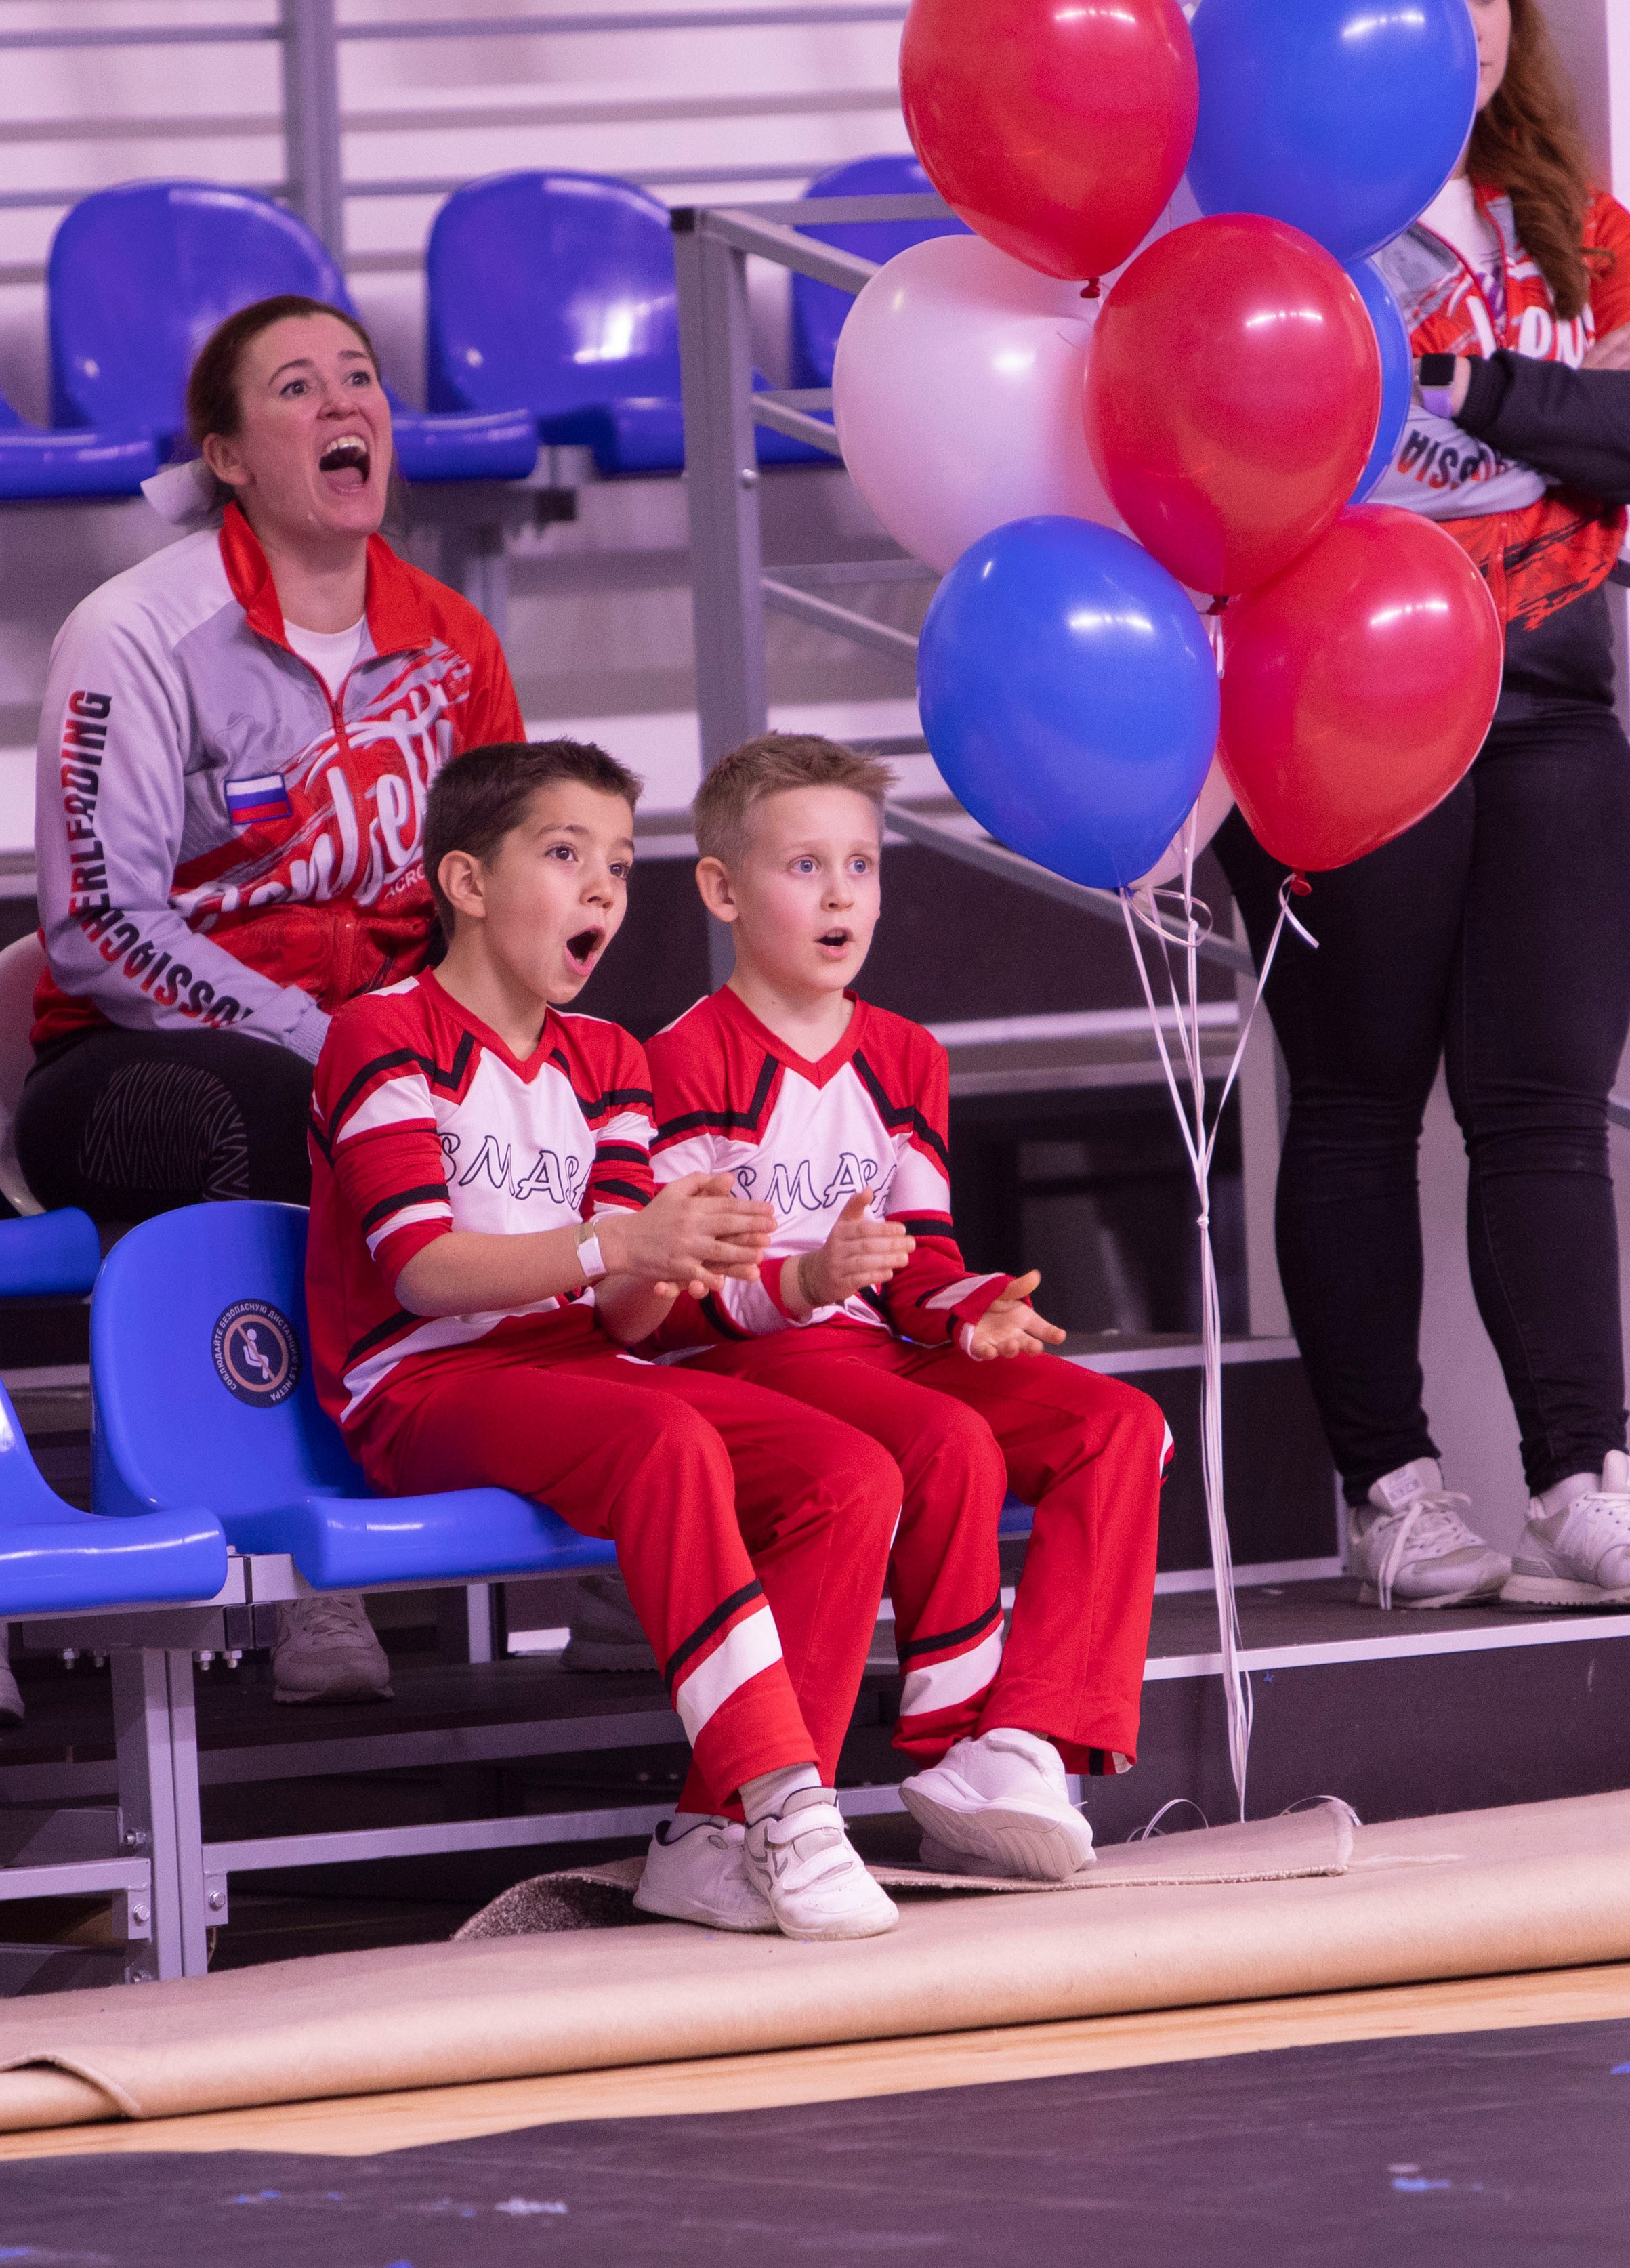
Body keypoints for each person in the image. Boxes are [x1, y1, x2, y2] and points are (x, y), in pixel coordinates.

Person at [1215, 0, 1630, 1614]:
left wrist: (1464, 391)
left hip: (1551, 702)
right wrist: (1531, 422)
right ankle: (1397, 1497)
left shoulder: (1566, 220)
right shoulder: (1273, 223)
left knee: (1542, 1110)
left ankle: (1585, 1477)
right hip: (1339, 707)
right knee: (1352, 1111)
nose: (1465, 24)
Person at [12, 293, 524, 1717]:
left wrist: (492, 1052)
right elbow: (101, 927)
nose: (343, 405)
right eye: (296, 389)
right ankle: (309, 1574)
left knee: (606, 1100)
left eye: (358, 379)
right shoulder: (135, 635)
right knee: (277, 1116)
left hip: (384, 1041)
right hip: (127, 1064)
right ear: (229, 456)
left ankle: (614, 1569)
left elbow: (517, 887)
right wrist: (345, 1049)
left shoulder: (452, 643)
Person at [305, 736, 900, 1941]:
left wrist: (682, 1251)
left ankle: (706, 1838)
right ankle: (788, 1801)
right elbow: (422, 1275)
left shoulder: (613, 1060)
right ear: (466, 885)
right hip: (419, 1387)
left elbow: (625, 1318)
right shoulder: (378, 1032)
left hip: (582, 1373)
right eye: (566, 854)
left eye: (620, 868)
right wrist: (617, 1246)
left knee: (852, 1472)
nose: (600, 892)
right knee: (667, 1433)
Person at [646, 732, 1171, 1881]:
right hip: (756, 1363)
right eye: (805, 869)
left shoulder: (907, 1056)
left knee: (1117, 1426)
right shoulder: (682, 1061)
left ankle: (1022, 1738)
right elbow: (675, 1305)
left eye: (864, 866)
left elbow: (921, 1258)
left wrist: (974, 1308)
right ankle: (946, 1736)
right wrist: (805, 1283)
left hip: (885, 1351)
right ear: (723, 889)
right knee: (946, 1439)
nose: (842, 894)